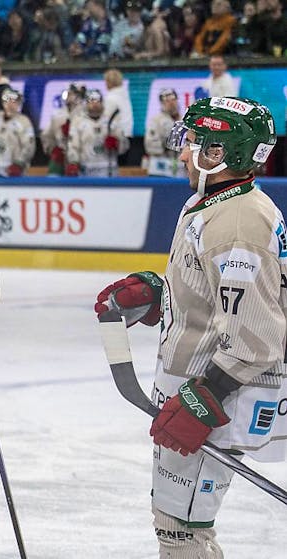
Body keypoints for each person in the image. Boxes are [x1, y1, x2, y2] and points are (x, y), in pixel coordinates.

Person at [94, 96, 284, 558]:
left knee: (182, 530)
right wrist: (162, 294)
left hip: (219, 395)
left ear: (223, 152)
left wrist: (208, 395)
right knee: (177, 523)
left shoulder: (238, 222)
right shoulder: (215, 202)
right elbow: (220, 298)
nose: (183, 152)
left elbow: (257, 336)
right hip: (200, 387)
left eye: (195, 141)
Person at [65, 89, 128, 177]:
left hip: (109, 171)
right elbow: (73, 146)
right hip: (87, 171)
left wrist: (117, 143)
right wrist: (73, 162)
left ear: (102, 102)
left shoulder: (112, 121)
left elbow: (124, 146)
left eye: (97, 101)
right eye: (91, 101)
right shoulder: (78, 122)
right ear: (86, 103)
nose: (94, 104)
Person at [42, 83, 85, 176]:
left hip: (81, 157)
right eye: (67, 93)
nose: (68, 96)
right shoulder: (58, 114)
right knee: (52, 181)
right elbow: (47, 135)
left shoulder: (85, 115)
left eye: (71, 93)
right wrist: (53, 150)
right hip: (61, 156)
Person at [143, 88, 184, 177]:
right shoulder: (155, 121)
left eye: (173, 100)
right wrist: (166, 144)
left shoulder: (185, 120)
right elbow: (149, 145)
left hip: (181, 167)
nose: (171, 103)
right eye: (167, 101)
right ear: (162, 103)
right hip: (161, 166)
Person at [103, 68, 134, 143]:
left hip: (116, 137)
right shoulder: (125, 95)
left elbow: (106, 119)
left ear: (109, 82)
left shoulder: (111, 98)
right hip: (127, 134)